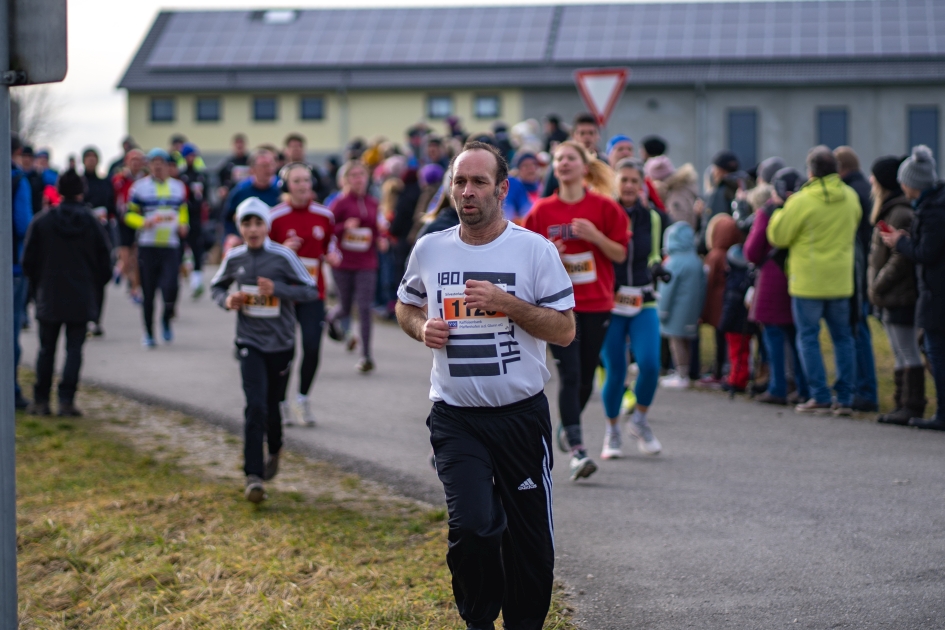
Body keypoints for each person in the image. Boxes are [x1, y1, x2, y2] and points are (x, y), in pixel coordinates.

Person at [396, 140, 575, 630]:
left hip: (520, 418)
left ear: (502, 188)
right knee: (473, 527)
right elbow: (406, 306)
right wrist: (420, 327)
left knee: (529, 545)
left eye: (478, 182)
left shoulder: (533, 250)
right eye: (460, 181)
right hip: (456, 418)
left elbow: (564, 329)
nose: (467, 191)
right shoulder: (431, 248)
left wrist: (508, 303)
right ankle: (478, 620)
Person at [524, 140, 628, 481]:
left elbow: (620, 255)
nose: (563, 163)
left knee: (585, 378)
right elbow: (524, 262)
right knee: (569, 374)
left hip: (596, 303)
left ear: (584, 167)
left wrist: (596, 236)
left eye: (570, 158)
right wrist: (546, 252)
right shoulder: (541, 211)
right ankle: (579, 451)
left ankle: (569, 427)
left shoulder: (605, 208)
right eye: (558, 159)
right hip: (557, 305)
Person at [211, 198, 319, 502]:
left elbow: (310, 290)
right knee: (255, 405)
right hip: (249, 342)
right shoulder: (235, 257)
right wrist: (227, 300)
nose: (253, 229)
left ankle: (275, 447)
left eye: (258, 223)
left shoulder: (282, 256)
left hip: (281, 343)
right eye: (247, 223)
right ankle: (253, 476)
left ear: (266, 227)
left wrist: (278, 290)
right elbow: (216, 287)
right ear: (240, 226)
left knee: (272, 406)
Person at [768, 146, 861, 415]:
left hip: (808, 279)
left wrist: (778, 211)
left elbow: (778, 236)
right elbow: (855, 223)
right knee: (843, 338)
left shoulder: (802, 200)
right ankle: (845, 398)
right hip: (841, 278)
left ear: (810, 171)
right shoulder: (850, 196)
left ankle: (819, 395)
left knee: (808, 338)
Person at [21, 170, 111, 417]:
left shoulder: (42, 222)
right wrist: (94, 287)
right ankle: (66, 400)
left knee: (46, 349)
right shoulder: (92, 222)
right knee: (74, 350)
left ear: (58, 191)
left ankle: (41, 400)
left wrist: (38, 286)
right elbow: (106, 261)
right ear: (81, 191)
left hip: (49, 293)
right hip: (81, 295)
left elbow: (28, 261)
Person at [600, 158, 663, 458]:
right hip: (609, 302)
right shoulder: (605, 212)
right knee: (616, 370)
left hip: (642, 299)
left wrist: (657, 268)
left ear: (642, 185)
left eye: (633, 181)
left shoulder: (651, 217)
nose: (628, 186)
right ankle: (612, 430)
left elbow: (652, 254)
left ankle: (639, 419)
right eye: (623, 180)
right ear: (615, 183)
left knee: (651, 364)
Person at [269, 162, 340, 426]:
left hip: (313, 292)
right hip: (285, 295)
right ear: (286, 186)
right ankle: (281, 402)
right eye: (297, 181)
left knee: (312, 347)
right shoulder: (275, 216)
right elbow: (263, 254)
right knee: (285, 351)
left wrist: (334, 255)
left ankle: (302, 399)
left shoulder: (324, 215)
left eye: (306, 181)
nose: (303, 186)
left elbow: (332, 244)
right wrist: (283, 249)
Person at [880, 146, 945, 431]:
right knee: (930, 350)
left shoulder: (934, 212)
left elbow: (927, 252)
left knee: (936, 353)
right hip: (933, 294)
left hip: (936, 296)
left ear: (914, 183)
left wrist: (900, 243)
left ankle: (942, 413)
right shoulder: (932, 206)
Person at [744, 167, 810, 405]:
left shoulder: (769, 211)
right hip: (798, 275)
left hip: (772, 278)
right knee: (797, 336)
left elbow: (752, 250)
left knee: (773, 336)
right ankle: (804, 387)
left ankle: (778, 386)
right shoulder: (805, 207)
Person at [867, 156, 924, 425]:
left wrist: (879, 283)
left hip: (899, 293)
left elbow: (900, 257)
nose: (870, 181)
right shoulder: (890, 210)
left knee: (907, 349)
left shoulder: (900, 212)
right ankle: (902, 400)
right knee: (899, 350)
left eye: (874, 177)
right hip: (890, 294)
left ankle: (912, 403)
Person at [125, 148, 189, 347]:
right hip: (148, 245)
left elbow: (183, 211)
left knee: (171, 287)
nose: (158, 166)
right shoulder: (139, 188)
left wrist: (183, 225)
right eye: (154, 163)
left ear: (168, 166)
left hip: (170, 245)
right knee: (149, 292)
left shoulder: (178, 187)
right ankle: (149, 332)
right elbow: (128, 215)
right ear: (149, 166)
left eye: (162, 163)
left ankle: (166, 320)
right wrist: (143, 222)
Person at [327, 160, 384, 372]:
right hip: (343, 263)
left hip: (367, 262)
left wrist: (380, 239)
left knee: (364, 308)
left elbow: (376, 227)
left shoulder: (372, 203)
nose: (359, 179)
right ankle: (330, 317)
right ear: (345, 180)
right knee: (345, 306)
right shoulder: (339, 203)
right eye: (354, 176)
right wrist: (344, 227)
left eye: (362, 175)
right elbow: (327, 230)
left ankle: (366, 356)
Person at [834, 146, 879, 412]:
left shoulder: (852, 194)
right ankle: (865, 389)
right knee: (859, 330)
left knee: (857, 331)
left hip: (856, 272)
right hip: (863, 270)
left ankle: (865, 391)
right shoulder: (865, 190)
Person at [658, 221, 706, 389]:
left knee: (676, 341)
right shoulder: (696, 260)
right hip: (692, 310)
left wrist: (662, 309)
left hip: (676, 310)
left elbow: (667, 290)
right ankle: (685, 372)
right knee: (686, 341)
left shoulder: (673, 262)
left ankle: (681, 374)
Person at [699, 213, 743, 386]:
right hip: (730, 302)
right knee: (730, 340)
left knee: (720, 338)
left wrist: (703, 309)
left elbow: (707, 283)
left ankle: (719, 370)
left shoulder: (715, 256)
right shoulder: (736, 254)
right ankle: (728, 369)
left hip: (717, 304)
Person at [80, 147, 116, 337]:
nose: (91, 161)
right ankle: (85, 316)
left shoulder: (104, 183)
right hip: (81, 238)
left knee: (100, 279)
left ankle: (96, 319)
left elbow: (112, 206)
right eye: (88, 158)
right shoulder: (79, 182)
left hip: (101, 236)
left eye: (94, 158)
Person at [10, 133, 33, 410]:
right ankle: (11, 390)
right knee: (10, 330)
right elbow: (23, 225)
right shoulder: (17, 179)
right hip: (12, 267)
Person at [112, 148, 146, 304]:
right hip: (123, 221)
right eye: (133, 160)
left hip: (139, 222)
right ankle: (120, 269)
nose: (136, 164)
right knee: (126, 258)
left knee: (137, 258)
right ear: (127, 162)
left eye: (139, 160)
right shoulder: (120, 179)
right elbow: (112, 199)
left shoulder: (145, 179)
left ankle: (135, 289)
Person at [224, 147, 280, 239]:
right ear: (252, 169)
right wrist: (230, 237)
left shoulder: (281, 190)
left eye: (271, 165)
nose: (269, 170)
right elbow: (227, 219)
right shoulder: (240, 191)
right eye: (264, 166)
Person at [541, 112, 601, 197]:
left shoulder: (604, 163)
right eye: (582, 133)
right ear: (574, 135)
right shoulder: (561, 165)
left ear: (597, 136)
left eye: (591, 133)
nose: (587, 137)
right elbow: (545, 198)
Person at [177, 143, 210, 298]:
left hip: (197, 218)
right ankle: (183, 275)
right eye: (189, 155)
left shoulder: (201, 175)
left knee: (197, 247)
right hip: (184, 217)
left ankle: (197, 281)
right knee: (182, 248)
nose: (192, 158)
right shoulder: (181, 176)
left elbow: (206, 196)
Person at [503, 151, 542, 223]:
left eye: (534, 164)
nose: (531, 169)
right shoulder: (511, 190)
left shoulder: (544, 188)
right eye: (525, 166)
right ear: (518, 170)